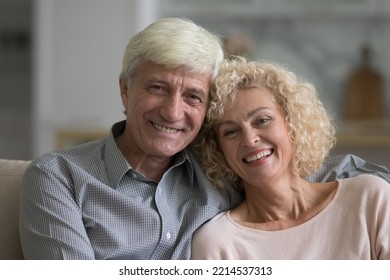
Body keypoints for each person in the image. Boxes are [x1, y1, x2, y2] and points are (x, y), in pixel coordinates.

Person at [19, 18, 389, 260]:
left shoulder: (217, 166)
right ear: (125, 91)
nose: (173, 112)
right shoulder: (59, 177)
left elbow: (295, 168)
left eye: (193, 96)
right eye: (158, 88)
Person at [191, 57, 390, 260]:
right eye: (231, 131)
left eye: (262, 120)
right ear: (217, 149)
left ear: (293, 122)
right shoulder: (218, 245)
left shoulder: (369, 198)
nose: (250, 140)